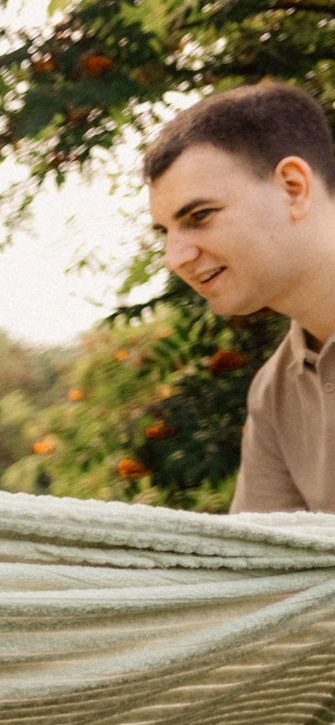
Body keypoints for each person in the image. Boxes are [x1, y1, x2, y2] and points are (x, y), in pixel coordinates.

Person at [146, 81, 335, 513]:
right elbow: (263, 576)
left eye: (200, 216)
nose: (174, 257)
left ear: (293, 187)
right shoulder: (274, 393)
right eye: (165, 233)